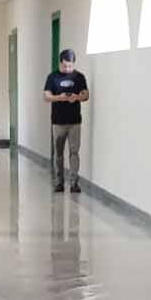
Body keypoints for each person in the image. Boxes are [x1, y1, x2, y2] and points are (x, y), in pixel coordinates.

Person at [43, 49, 90, 194]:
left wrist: (77, 97)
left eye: (70, 66)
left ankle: (74, 183)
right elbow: (46, 96)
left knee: (74, 152)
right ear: (60, 63)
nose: (67, 69)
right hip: (58, 122)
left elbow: (86, 94)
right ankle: (59, 182)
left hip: (75, 122)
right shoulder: (52, 77)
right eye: (65, 66)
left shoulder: (79, 77)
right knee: (58, 153)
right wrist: (60, 97)